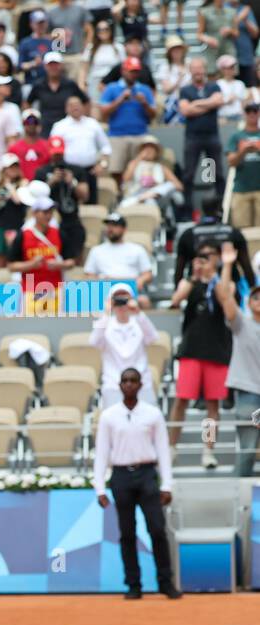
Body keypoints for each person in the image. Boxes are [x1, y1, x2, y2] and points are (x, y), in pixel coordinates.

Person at [94, 367, 181, 600]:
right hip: (121, 476)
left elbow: (163, 450)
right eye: (125, 381)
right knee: (127, 533)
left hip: (147, 475)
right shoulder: (108, 416)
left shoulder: (153, 414)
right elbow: (102, 452)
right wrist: (100, 487)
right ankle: (133, 584)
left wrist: (167, 485)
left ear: (141, 385)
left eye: (133, 381)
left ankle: (165, 582)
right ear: (120, 385)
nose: (129, 384)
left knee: (157, 530)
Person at [168, 241, 238, 470]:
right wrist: (194, 276)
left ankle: (208, 450)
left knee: (212, 406)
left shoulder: (225, 283)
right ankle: (171, 447)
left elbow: (228, 308)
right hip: (191, 350)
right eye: (201, 256)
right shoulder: (190, 282)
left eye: (208, 256)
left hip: (216, 351)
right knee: (181, 401)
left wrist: (221, 272)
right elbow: (176, 300)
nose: (204, 260)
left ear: (217, 259)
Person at [91, 287, 158, 408]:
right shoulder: (105, 324)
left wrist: (138, 312)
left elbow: (153, 337)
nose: (121, 303)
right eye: (117, 299)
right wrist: (106, 313)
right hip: (113, 384)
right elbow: (94, 341)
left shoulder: (139, 321)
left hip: (141, 383)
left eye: (125, 298)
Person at [8, 196, 73, 316]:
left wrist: (60, 265)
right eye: (44, 212)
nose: (48, 216)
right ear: (35, 213)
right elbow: (11, 266)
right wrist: (31, 264)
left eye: (50, 212)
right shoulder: (23, 236)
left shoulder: (59, 234)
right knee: (30, 327)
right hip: (30, 291)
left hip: (55, 290)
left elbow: (71, 262)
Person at [179, 57, 226, 210]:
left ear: (205, 70)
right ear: (190, 70)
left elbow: (218, 101)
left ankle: (218, 208)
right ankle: (188, 210)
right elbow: (185, 110)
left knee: (215, 174)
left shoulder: (213, 86)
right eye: (195, 68)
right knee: (189, 175)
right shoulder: (185, 90)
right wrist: (209, 104)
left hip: (211, 137)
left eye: (200, 68)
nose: (198, 71)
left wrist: (196, 104)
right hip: (193, 138)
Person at [228, 285, 260, 476]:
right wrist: (228, 265)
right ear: (248, 303)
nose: (259, 301)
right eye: (255, 297)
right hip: (248, 392)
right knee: (247, 449)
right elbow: (226, 300)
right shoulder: (241, 323)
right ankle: (240, 497)